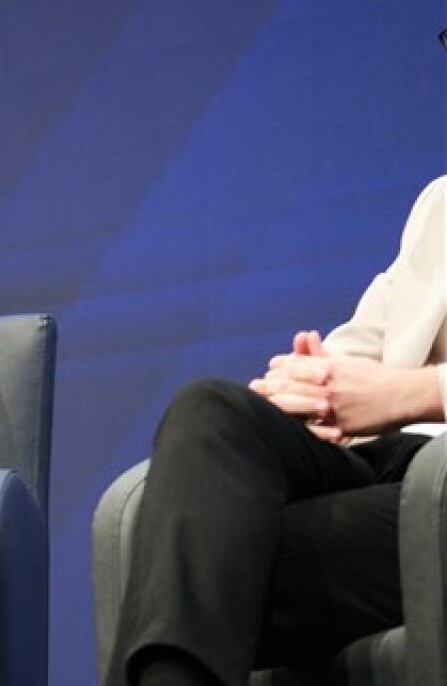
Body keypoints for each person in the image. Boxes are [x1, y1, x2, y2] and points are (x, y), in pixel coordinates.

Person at [102, 174, 446, 686]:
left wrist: (411, 393)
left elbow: (385, 388)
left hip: (437, 485)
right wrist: (305, 390)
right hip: (388, 465)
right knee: (214, 410)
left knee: (185, 569)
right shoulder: (440, 203)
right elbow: (355, 349)